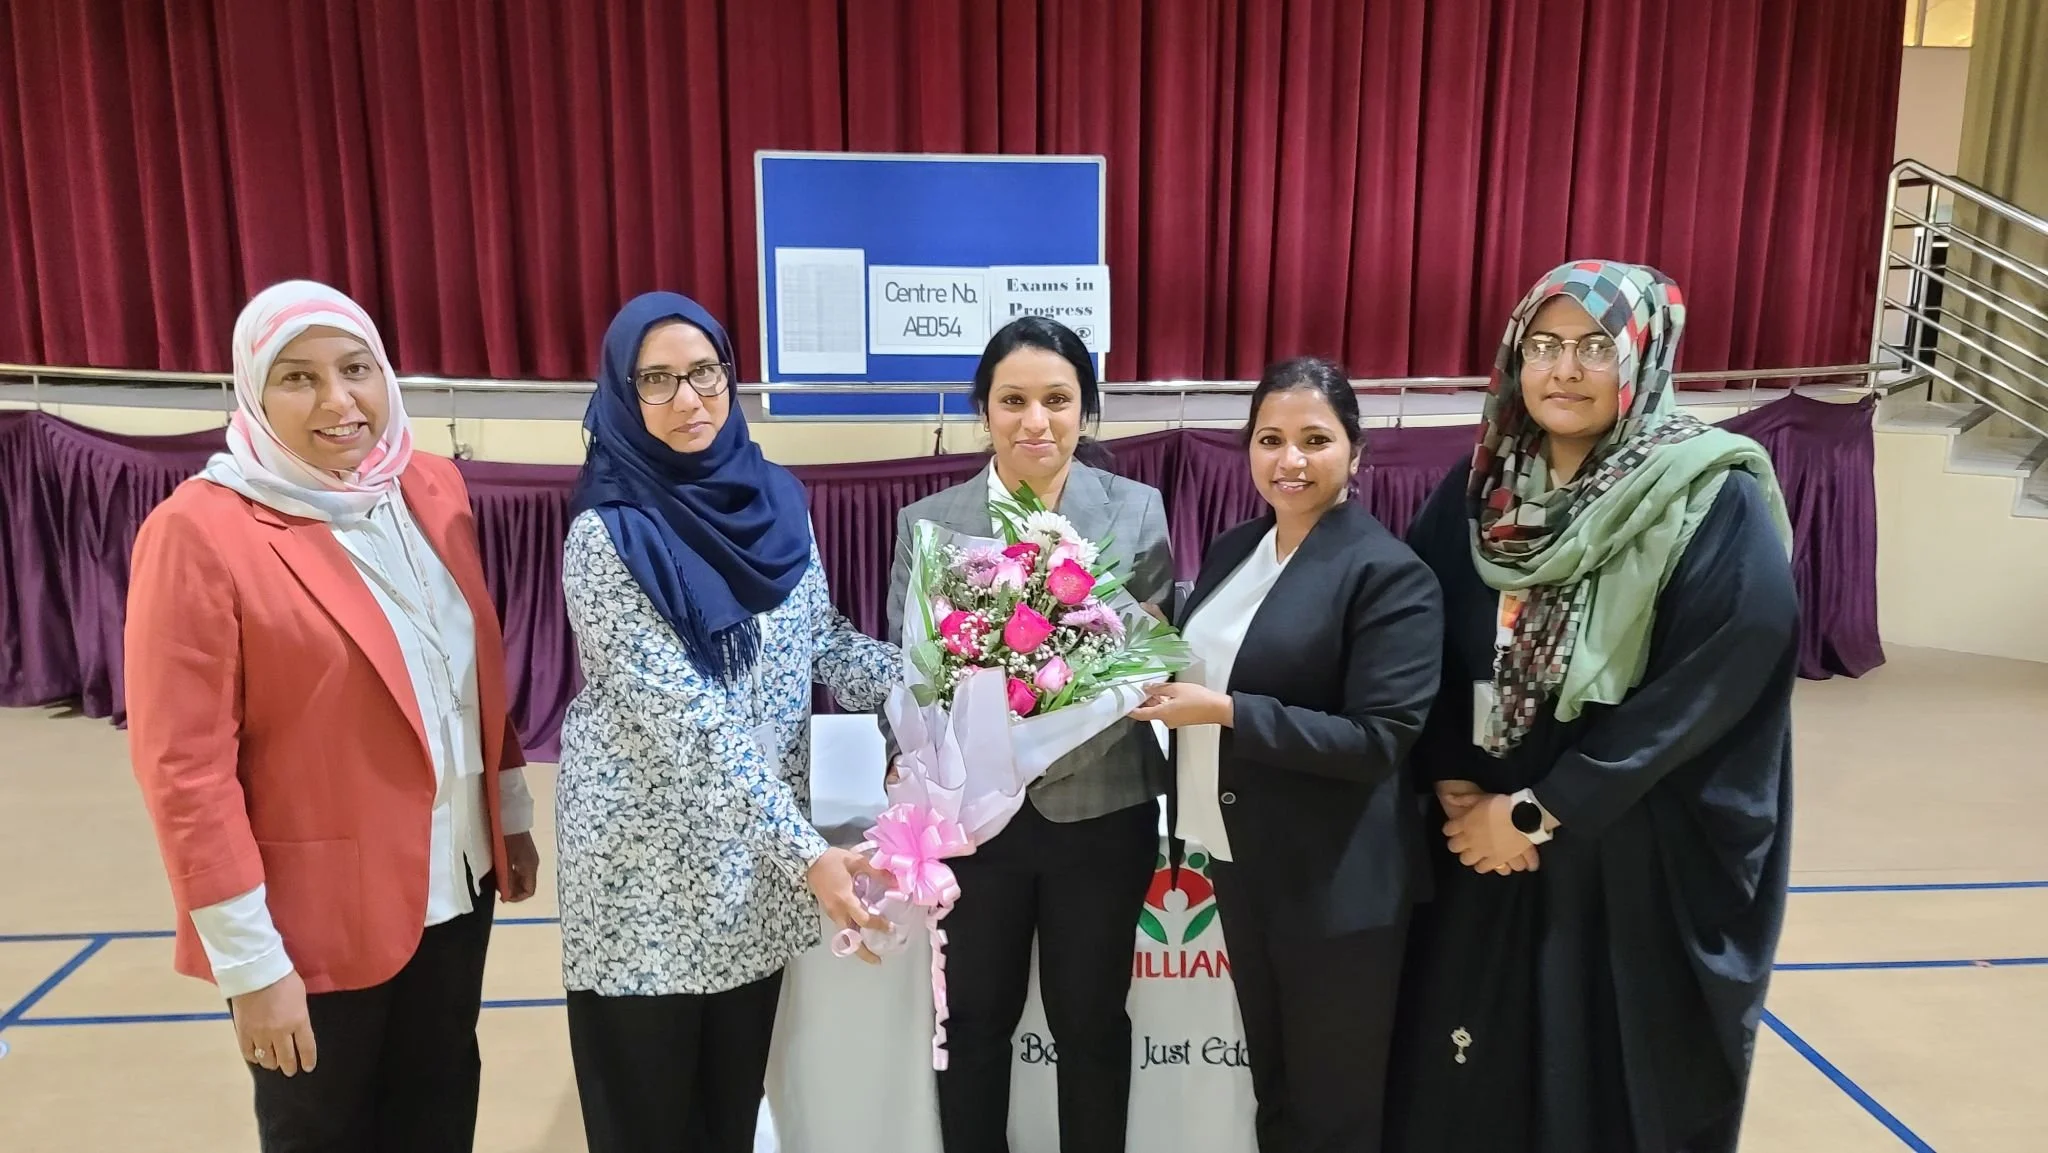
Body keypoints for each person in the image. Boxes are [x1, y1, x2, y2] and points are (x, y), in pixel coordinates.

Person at [1386, 260, 1799, 1153]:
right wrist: (1448, 772)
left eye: (1594, 346)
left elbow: (1710, 687)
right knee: (1472, 1067)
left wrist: (1538, 811)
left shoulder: (1709, 497)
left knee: (1599, 1083)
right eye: (1543, 345)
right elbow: (1413, 632)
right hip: (1478, 841)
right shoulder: (1480, 493)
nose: (1564, 370)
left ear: (1642, 359)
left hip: (1625, 853)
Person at [125, 280, 541, 1153]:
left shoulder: (430, 486)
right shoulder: (200, 530)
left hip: (452, 888)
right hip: (309, 928)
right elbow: (185, 773)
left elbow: (470, 671)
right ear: (250, 390)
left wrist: (509, 811)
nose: (338, 401)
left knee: (436, 1117)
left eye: (355, 369)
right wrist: (250, 965)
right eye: (298, 377)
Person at [555, 291, 899, 1153]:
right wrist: (808, 851)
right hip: (646, 885)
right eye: (658, 380)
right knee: (648, 1126)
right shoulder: (607, 537)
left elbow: (825, 644)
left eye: (703, 373)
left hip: (750, 880)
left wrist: (944, 680)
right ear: (623, 395)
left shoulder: (777, 501)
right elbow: (688, 724)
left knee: (728, 1123)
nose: (689, 400)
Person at [1131, 357, 1443, 1153]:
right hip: (1241, 857)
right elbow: (1206, 657)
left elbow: (1378, 739)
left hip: (1336, 880)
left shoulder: (1388, 574)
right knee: (1272, 1083)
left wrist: (1229, 712)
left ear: (1356, 451)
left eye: (1315, 439)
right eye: (1270, 439)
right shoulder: (1242, 546)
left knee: (1334, 1105)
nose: (1289, 459)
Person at [884, 316, 1174, 1153]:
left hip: (1101, 809)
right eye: (1013, 400)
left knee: (1090, 1024)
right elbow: (908, 674)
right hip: (975, 827)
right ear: (985, 408)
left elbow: (1148, 656)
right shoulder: (929, 523)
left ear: (1087, 408)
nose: (1034, 421)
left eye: (1057, 399)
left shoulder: (1134, 512)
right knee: (973, 1023)